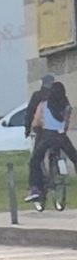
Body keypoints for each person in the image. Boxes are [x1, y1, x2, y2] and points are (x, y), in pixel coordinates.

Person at [28, 81, 76, 209]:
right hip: (61, 137)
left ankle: (35, 189)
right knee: (74, 157)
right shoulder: (67, 106)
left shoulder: (43, 105)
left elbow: (37, 121)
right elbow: (65, 124)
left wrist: (36, 128)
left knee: (35, 160)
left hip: (47, 136)